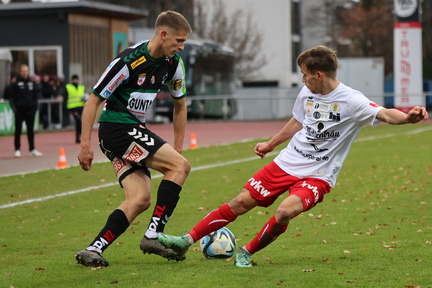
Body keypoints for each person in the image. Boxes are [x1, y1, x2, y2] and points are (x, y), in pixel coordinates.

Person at [157, 45, 429, 268]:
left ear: (319, 74)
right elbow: (298, 121)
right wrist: (271, 144)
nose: (302, 80)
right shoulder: (308, 92)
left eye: (304, 75)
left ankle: (247, 253)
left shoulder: (351, 100)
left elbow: (384, 114)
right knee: (240, 202)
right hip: (287, 162)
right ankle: (185, 240)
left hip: (318, 174)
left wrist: (407, 117)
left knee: (286, 211)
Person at [75, 10, 192, 267]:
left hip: (131, 130)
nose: (181, 47)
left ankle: (93, 248)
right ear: (163, 35)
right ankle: (153, 235)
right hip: (117, 128)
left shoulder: (173, 64)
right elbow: (94, 99)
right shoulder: (128, 61)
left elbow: (180, 105)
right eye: (178, 41)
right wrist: (85, 144)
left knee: (139, 199)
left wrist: (178, 148)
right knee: (180, 167)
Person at [7, 64, 43, 158]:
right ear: (20, 72)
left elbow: (36, 97)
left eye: (26, 71)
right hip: (19, 111)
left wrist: (34, 108)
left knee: (30, 130)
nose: (24, 72)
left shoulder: (32, 83)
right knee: (18, 130)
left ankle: (32, 149)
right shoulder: (15, 84)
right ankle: (17, 149)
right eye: (23, 71)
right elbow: (11, 98)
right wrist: (14, 109)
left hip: (30, 111)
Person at [66, 74, 86, 143]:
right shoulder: (68, 87)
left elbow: (84, 96)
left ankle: (79, 137)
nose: (75, 80)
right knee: (78, 120)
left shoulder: (81, 87)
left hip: (80, 107)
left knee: (80, 122)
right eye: (74, 79)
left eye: (76, 79)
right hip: (72, 107)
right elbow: (65, 97)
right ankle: (79, 136)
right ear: (72, 80)